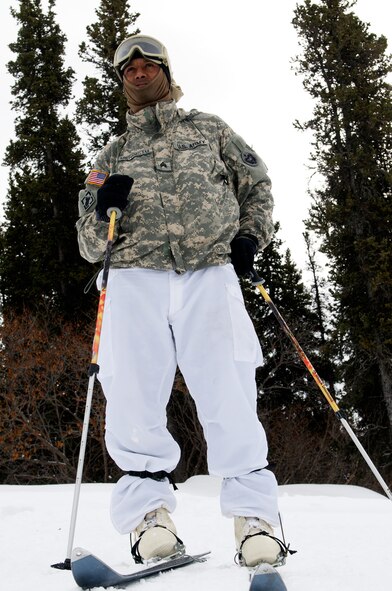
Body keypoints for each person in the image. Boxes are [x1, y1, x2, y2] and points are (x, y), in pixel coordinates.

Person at [76, 34, 288, 568]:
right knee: (131, 390)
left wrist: (249, 237)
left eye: (148, 64)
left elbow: (257, 184)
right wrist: (103, 210)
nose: (138, 72)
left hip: (207, 271)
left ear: (167, 72)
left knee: (228, 384)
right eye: (128, 69)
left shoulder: (210, 130)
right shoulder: (110, 155)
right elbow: (85, 241)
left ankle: (254, 519)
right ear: (123, 83)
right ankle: (150, 517)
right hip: (131, 279)